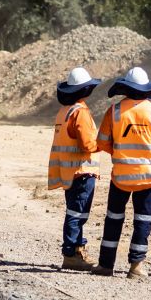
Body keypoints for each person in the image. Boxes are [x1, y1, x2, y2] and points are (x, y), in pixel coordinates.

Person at [92, 67, 151, 279]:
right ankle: (136, 266)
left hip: (120, 177)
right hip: (148, 178)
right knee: (143, 221)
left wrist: (118, 151)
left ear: (126, 89)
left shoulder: (115, 111)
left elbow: (101, 142)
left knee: (113, 219)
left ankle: (106, 265)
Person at [48, 67, 102, 271]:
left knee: (74, 211)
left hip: (69, 171)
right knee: (78, 213)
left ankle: (76, 250)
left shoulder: (64, 112)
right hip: (82, 171)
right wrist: (104, 144)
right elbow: (87, 145)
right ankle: (71, 253)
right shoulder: (80, 113)